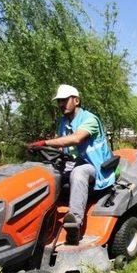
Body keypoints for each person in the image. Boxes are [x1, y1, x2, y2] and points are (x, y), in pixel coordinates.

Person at [28, 84, 115, 244]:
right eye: (59, 101)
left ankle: (74, 222)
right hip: (73, 162)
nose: (61, 104)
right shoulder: (63, 121)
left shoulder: (90, 119)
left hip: (96, 166)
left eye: (64, 100)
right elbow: (62, 146)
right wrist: (45, 151)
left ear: (76, 100)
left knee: (79, 173)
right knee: (43, 171)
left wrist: (45, 142)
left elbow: (76, 139)